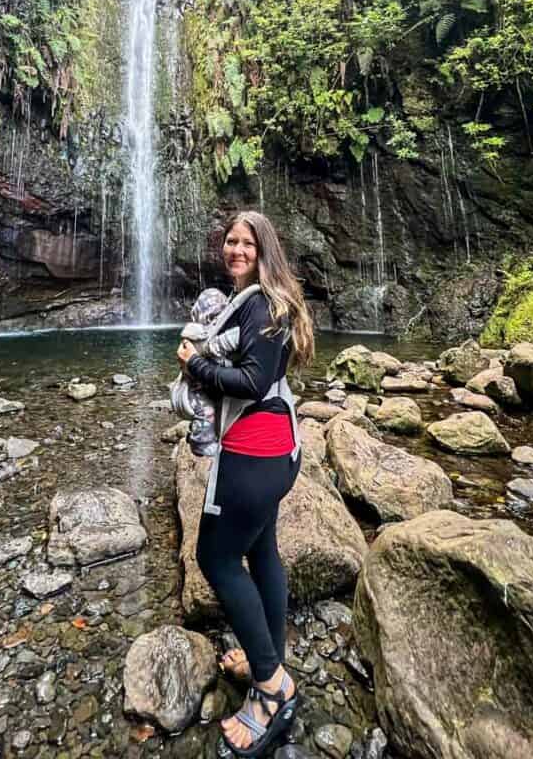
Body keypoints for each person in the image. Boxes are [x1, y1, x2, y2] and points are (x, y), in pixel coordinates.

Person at [177, 211, 315, 758]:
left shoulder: (261, 304)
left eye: (247, 243)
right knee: (263, 553)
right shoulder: (263, 301)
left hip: (253, 455)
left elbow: (254, 381)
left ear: (265, 251)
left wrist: (195, 366)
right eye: (231, 242)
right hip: (278, 448)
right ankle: (268, 655)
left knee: (215, 560)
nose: (236, 250)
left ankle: (271, 688)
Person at [169, 287, 242, 457]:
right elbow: (227, 342)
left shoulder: (203, 332)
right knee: (206, 413)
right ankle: (202, 444)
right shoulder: (199, 334)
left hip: (210, 382)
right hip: (198, 390)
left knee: (212, 413)